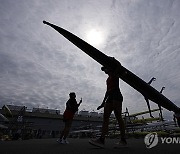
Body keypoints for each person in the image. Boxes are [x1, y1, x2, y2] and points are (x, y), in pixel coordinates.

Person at [89, 58, 127, 148]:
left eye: (105, 69)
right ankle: (102, 140)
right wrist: (102, 103)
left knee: (118, 117)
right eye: (104, 69)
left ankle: (123, 140)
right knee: (105, 118)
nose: (104, 71)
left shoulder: (115, 74)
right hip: (110, 97)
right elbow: (107, 92)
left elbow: (119, 65)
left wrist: (112, 59)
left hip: (117, 96)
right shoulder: (107, 80)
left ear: (109, 68)